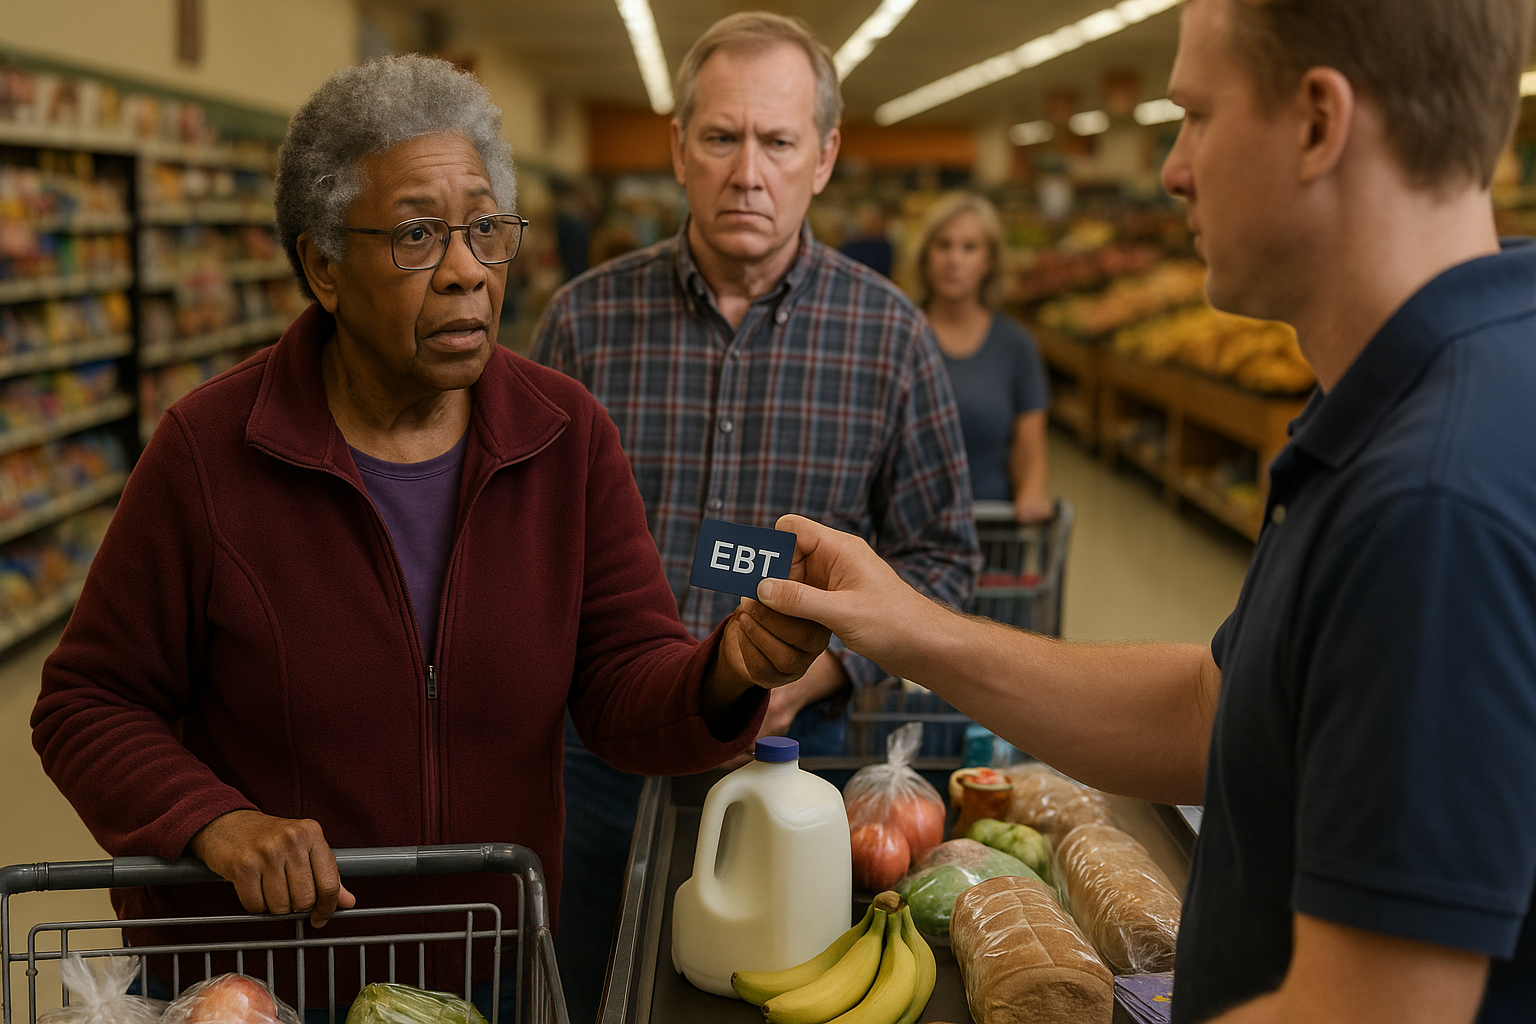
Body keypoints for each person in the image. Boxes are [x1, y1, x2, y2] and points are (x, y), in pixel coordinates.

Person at [756, 0, 1536, 1021]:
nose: (1172, 167)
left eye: (1197, 115)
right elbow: (1209, 713)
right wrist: (912, 624)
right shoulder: (1425, 392)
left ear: (1316, 124)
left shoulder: (1432, 502)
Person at [29, 54, 829, 1017]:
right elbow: (86, 701)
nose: (465, 271)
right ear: (323, 267)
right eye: (417, 235)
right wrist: (217, 822)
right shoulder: (209, 451)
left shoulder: (565, 436)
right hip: (254, 988)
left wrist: (725, 668)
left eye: (487, 229)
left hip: (480, 971)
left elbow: (621, 685)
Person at [531, 12, 978, 1020]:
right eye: (722, 138)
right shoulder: (583, 323)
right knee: (586, 987)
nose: (748, 171)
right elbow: (521, 542)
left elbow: (942, 559)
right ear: (677, 148)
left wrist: (806, 672)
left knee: (774, 997)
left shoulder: (890, 339)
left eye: (777, 142)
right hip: (598, 760)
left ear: (822, 158)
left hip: (797, 764)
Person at [912, 193, 1052, 522]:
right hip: (912, 533)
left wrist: (1031, 491)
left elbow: (1030, 447)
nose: (954, 260)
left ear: (989, 261)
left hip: (994, 530)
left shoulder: (1016, 345)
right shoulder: (900, 337)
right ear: (925, 256)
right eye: (943, 245)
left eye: (969, 247)